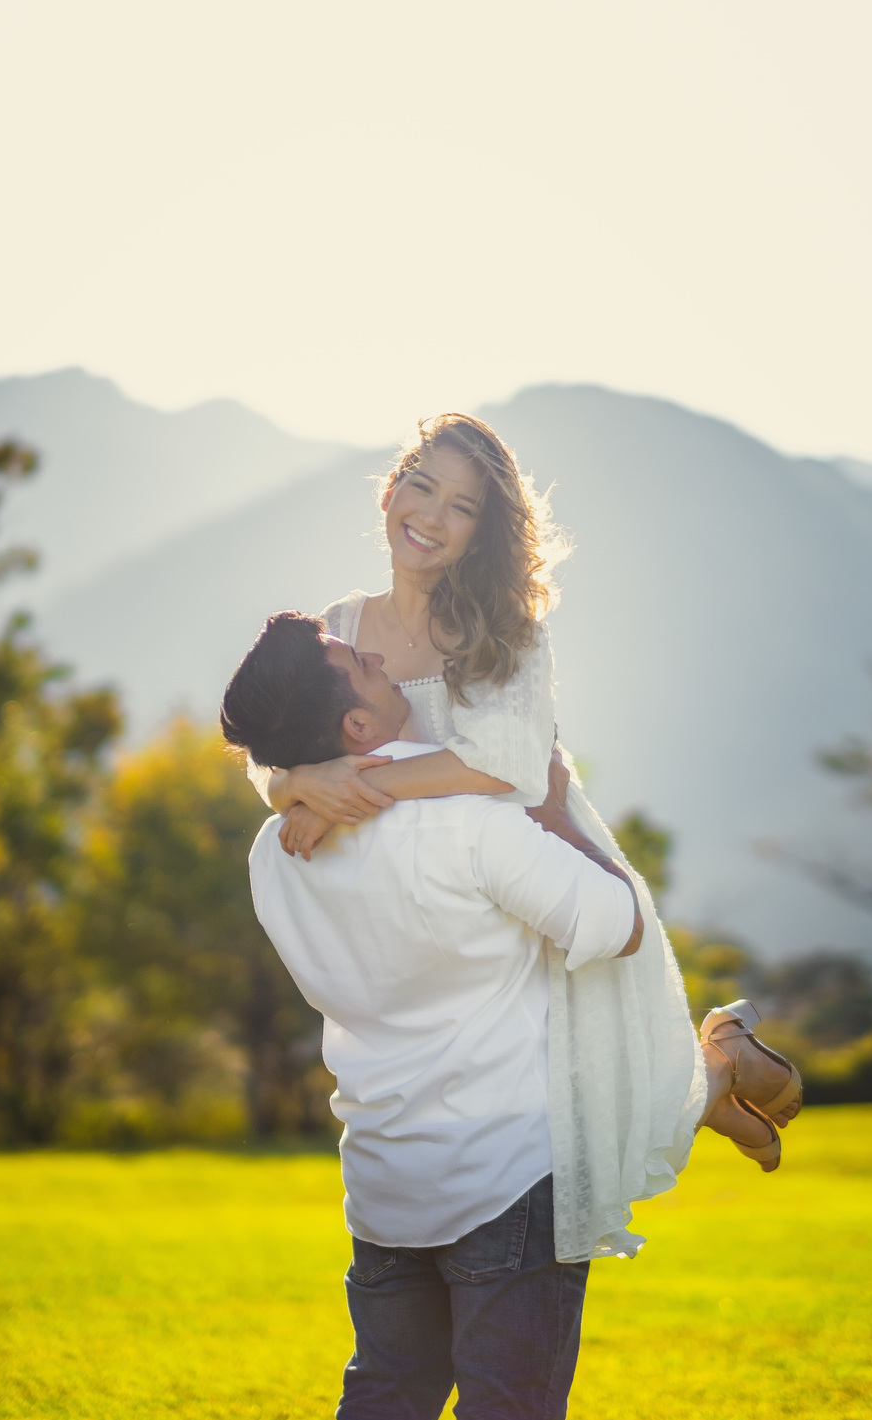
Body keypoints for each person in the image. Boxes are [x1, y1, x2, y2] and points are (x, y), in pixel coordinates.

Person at [218, 615, 796, 1420]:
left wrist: (293, 785)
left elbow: (297, 787)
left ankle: (717, 1078)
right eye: (357, 661)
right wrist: (558, 816)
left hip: (386, 1182)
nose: (379, 655)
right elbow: (618, 927)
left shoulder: (274, 853)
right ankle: (719, 1072)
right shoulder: (470, 823)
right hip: (509, 1180)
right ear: (356, 727)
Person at [244, 415, 801, 1259]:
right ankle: (715, 1080)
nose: (432, 516)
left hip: (532, 852)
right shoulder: (343, 626)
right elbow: (283, 742)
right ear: (391, 491)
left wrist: (348, 787)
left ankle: (717, 1067)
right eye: (422, 486)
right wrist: (294, 784)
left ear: (483, 533)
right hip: (435, 895)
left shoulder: (505, 630)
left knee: (581, 1095)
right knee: (523, 1097)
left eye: (462, 507)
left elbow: (505, 766)